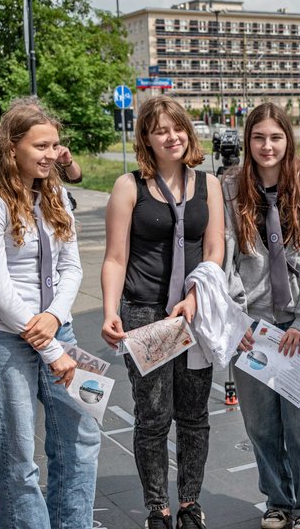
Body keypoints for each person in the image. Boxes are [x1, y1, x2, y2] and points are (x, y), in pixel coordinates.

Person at [0, 97, 100, 528]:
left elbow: (72, 266)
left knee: (81, 437)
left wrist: (56, 318)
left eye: (54, 145)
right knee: (17, 457)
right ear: (12, 148)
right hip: (3, 340)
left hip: (59, 331)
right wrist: (50, 346)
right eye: (40, 146)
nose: (51, 155)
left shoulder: (56, 193)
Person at [100, 95, 225, 529]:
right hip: (146, 316)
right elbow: (116, 257)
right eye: (160, 131)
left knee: (194, 416)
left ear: (188, 132)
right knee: (153, 417)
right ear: (146, 140)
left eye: (177, 128)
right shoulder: (129, 186)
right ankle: (158, 507)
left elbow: (215, 250)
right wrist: (109, 310)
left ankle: (190, 503)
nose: (171, 137)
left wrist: (195, 297)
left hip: (192, 314)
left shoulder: (207, 185)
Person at [223, 103, 300, 529]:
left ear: (287, 140)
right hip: (253, 329)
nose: (267, 146)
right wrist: (239, 320)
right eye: (258, 138)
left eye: (275, 137)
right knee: (261, 425)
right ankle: (278, 499)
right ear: (247, 142)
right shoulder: (231, 189)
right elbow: (224, 261)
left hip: (299, 328)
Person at [0, 139, 83, 197]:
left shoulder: (59, 195)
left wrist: (68, 162)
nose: (51, 155)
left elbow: (76, 178)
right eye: (41, 146)